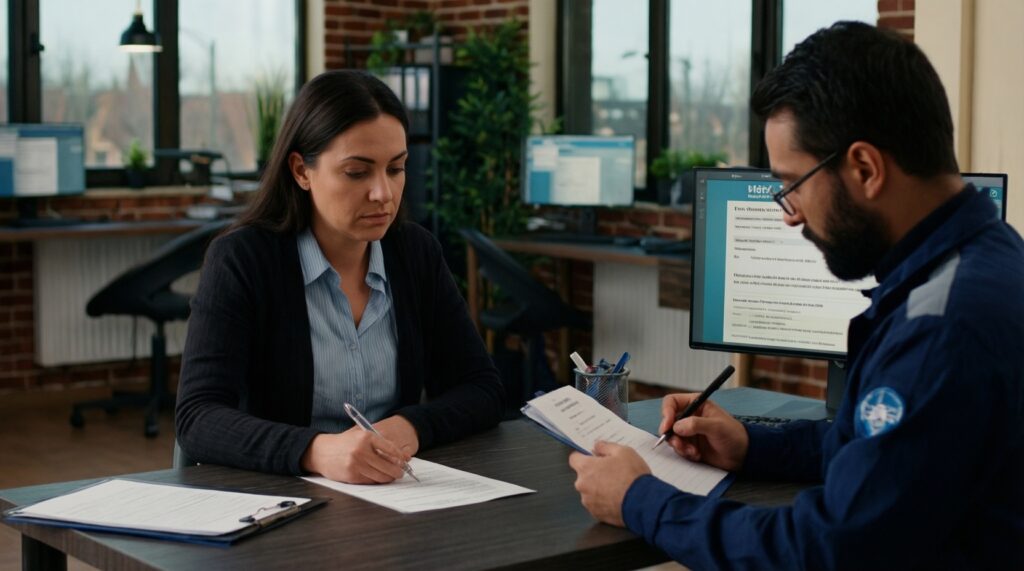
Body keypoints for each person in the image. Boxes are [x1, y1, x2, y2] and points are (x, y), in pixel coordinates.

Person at [569, 22, 1024, 569]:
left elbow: (828, 551)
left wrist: (639, 499)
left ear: (864, 168)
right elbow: (882, 455)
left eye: (792, 185)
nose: (790, 215)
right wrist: (752, 445)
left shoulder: (941, 328)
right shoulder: (988, 258)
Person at [176, 70, 505, 484]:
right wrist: (317, 452)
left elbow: (481, 388)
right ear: (301, 171)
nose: (383, 193)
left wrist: (408, 427)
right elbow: (198, 417)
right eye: (357, 172)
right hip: (278, 500)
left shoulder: (415, 253)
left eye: (396, 168)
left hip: (390, 499)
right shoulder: (244, 259)